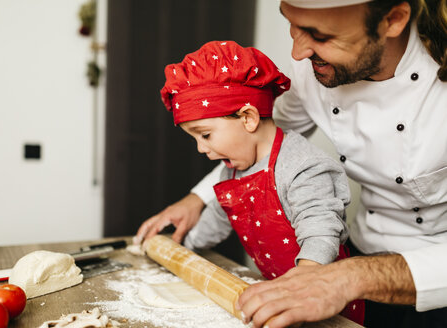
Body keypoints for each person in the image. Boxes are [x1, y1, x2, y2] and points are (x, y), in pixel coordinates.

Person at [136, 0, 447, 327]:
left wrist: (342, 276)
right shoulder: (313, 67)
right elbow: (260, 145)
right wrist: (197, 199)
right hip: (359, 255)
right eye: (293, 27)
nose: (297, 54)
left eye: (319, 35)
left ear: (393, 20)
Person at [156, 40, 363, 324]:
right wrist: (180, 248)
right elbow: (217, 218)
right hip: (278, 297)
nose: (201, 149)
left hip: (326, 304)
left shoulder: (301, 166)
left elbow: (321, 231)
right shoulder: (232, 169)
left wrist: (302, 282)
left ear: (248, 117)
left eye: (204, 135)